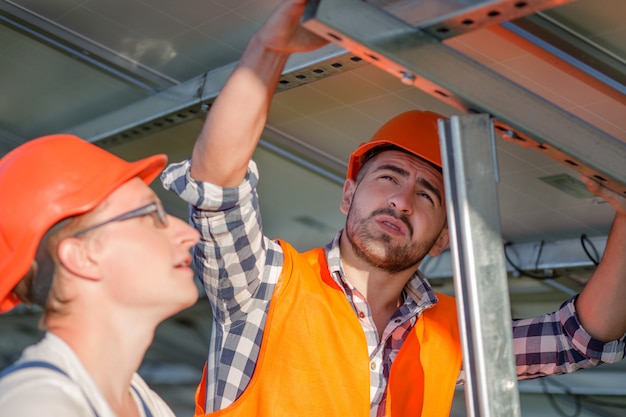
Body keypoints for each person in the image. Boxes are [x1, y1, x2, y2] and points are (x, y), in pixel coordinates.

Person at [161, 0, 626, 416]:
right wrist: (270, 47)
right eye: (388, 177)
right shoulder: (263, 285)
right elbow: (216, 188)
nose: (401, 201)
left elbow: (579, 338)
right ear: (349, 194)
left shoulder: (449, 335)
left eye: (427, 195)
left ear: (445, 238)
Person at [0, 134, 200, 416]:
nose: (189, 234)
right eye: (151, 214)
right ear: (82, 257)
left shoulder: (145, 402)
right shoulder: (38, 407)